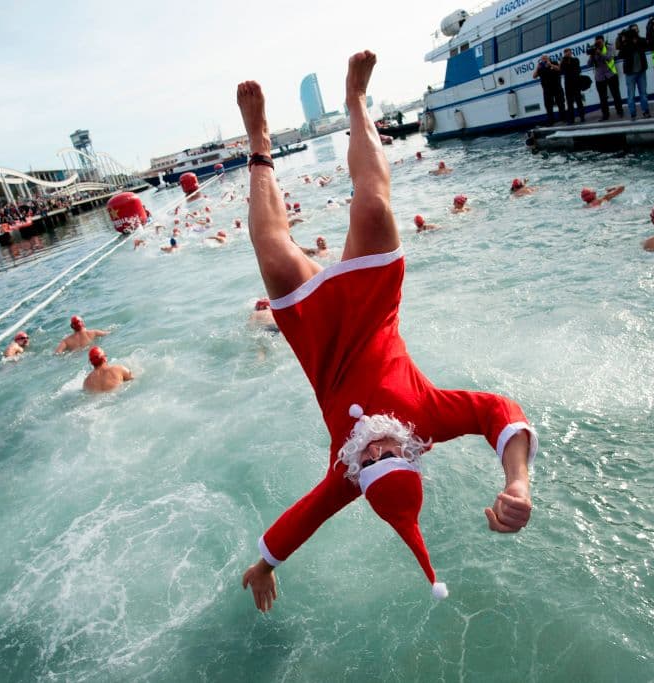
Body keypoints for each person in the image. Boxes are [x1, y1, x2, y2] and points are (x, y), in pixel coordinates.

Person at [236, 51, 537, 612]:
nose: (373, 449)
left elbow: (303, 519)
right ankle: (355, 102)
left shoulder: (345, 473)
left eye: (368, 462)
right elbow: (501, 411)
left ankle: (259, 144)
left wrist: (263, 564)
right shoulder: (428, 420)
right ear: (411, 453)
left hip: (317, 339)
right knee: (373, 206)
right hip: (373, 310)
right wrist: (517, 481)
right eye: (387, 454)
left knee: (272, 251)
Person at [616, 24, 651, 119]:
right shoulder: (626, 44)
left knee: (643, 94)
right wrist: (624, 42)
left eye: (637, 30)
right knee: (631, 95)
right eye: (633, 30)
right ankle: (633, 113)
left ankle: (646, 111)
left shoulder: (641, 41)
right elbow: (620, 55)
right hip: (630, 73)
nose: (636, 32)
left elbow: (647, 45)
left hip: (641, 71)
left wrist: (637, 40)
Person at [588, 35, 624, 120]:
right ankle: (605, 115)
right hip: (599, 77)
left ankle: (620, 111)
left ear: (603, 41)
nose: (599, 44)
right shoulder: (594, 51)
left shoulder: (609, 48)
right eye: (597, 42)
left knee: (616, 95)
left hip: (611, 74)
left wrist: (600, 53)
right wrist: (592, 55)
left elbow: (609, 58)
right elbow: (589, 64)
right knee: (603, 98)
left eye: (600, 42)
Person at [532, 54, 566, 125]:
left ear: (548, 58)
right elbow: (534, 76)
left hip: (557, 87)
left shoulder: (554, 63)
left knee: (560, 103)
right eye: (542, 58)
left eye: (545, 58)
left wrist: (550, 65)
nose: (544, 59)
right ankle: (551, 121)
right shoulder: (540, 67)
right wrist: (537, 68)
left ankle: (563, 118)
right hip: (547, 89)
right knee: (548, 106)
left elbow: (559, 69)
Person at [559, 48, 586, 123]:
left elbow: (577, 68)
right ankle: (571, 119)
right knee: (569, 102)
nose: (568, 54)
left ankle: (582, 116)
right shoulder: (563, 62)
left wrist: (569, 59)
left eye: (569, 52)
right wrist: (562, 61)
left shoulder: (575, 60)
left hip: (575, 82)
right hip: (568, 84)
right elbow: (561, 71)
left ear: (571, 53)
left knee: (578, 100)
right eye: (566, 53)